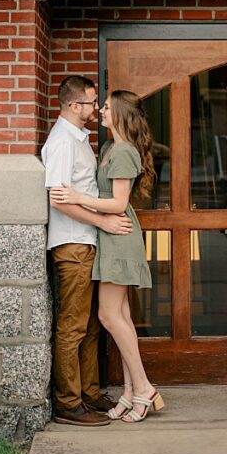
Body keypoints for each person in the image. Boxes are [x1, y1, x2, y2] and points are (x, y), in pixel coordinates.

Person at [51, 90, 164, 422]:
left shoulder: (124, 152)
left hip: (118, 236)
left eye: (107, 107)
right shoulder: (112, 149)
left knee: (108, 316)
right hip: (110, 236)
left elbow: (117, 204)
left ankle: (143, 387)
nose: (100, 109)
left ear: (121, 114)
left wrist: (76, 195)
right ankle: (131, 393)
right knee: (122, 317)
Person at [43, 76, 133, 426]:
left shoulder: (80, 139)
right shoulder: (63, 142)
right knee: (73, 325)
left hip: (88, 243)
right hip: (73, 244)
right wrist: (103, 222)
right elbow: (59, 199)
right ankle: (68, 402)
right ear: (71, 105)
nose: (95, 109)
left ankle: (90, 393)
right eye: (90, 103)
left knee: (92, 326)